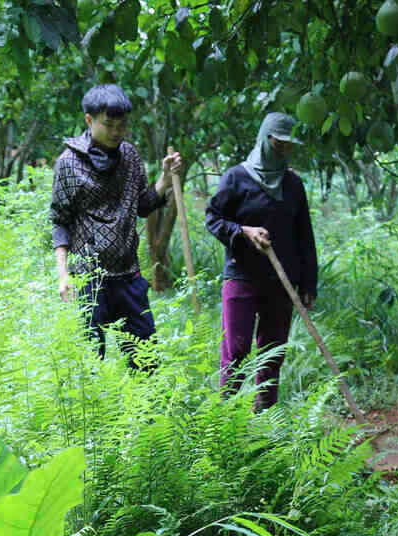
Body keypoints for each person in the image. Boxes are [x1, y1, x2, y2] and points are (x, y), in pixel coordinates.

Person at [50, 84, 183, 364]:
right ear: (89, 120)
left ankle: (145, 409)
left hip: (128, 277)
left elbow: (143, 206)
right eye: (108, 124)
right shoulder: (68, 163)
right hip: (89, 280)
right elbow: (60, 222)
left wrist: (165, 179)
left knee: (146, 362)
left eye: (122, 125)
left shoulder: (130, 156)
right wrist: (63, 276)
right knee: (90, 365)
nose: (116, 132)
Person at [205, 112, 318, 410]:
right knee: (237, 348)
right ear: (264, 138)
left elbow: (305, 236)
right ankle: (224, 417)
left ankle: (263, 418)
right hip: (241, 276)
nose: (283, 150)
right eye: (277, 143)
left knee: (272, 354)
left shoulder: (293, 185)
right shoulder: (235, 177)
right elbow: (213, 219)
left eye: (288, 145)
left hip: (282, 281)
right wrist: (243, 232)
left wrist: (308, 284)